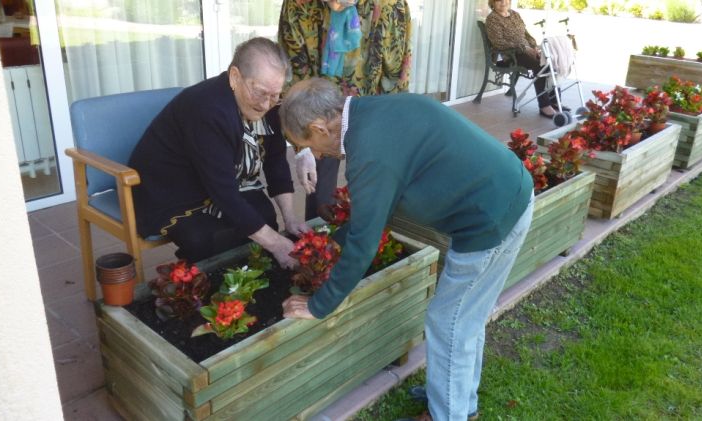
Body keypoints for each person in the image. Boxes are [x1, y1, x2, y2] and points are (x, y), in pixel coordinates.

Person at [279, 77, 534, 421]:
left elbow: (365, 242)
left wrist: (319, 305)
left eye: (308, 145)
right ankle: (457, 401)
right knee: (465, 319)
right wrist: (325, 246)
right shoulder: (377, 112)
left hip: (489, 219)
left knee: (450, 321)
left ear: (320, 127)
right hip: (505, 194)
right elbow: (370, 216)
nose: (320, 155)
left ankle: (449, 414)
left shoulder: (369, 153)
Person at [128, 37, 309, 267]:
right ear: (235, 77)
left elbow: (275, 161)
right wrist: (277, 244)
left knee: (265, 219)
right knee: (205, 239)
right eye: (261, 93)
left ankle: (240, 280)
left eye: (275, 95)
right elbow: (223, 192)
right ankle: (194, 284)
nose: (266, 104)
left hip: (219, 179)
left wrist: (290, 219)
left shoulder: (270, 103)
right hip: (169, 187)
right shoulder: (208, 110)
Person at [280, 0, 412, 220]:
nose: (336, 5)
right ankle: (318, 246)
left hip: (371, 108)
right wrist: (302, 147)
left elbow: (397, 75)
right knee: (319, 192)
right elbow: (293, 78)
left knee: (371, 188)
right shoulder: (298, 4)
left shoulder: (389, 5)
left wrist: (392, 132)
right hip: (318, 115)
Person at [485, 0, 566, 118]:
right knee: (541, 65)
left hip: (527, 50)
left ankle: (554, 101)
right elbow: (498, 42)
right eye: (499, 0)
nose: (503, 2)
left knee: (552, 61)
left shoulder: (515, 14)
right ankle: (544, 105)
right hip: (512, 55)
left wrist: (534, 47)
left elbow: (526, 34)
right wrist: (524, 47)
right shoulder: (492, 19)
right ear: (492, 3)